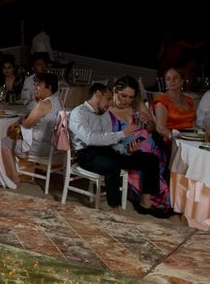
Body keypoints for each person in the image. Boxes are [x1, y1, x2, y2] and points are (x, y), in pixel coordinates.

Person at [69, 83, 166, 216]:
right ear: (98, 95)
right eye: (108, 99)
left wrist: (127, 150)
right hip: (86, 154)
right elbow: (90, 139)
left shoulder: (105, 114)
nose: (110, 103)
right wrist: (122, 134)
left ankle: (145, 203)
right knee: (112, 165)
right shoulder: (78, 113)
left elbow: (110, 141)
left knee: (150, 159)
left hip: (107, 150)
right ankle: (114, 208)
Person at [109, 76, 172, 214]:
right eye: (123, 95)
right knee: (148, 161)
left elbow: (151, 129)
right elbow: (105, 139)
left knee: (159, 156)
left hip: (148, 145)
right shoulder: (106, 109)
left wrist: (149, 122)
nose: (126, 100)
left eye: (131, 97)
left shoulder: (137, 106)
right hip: (126, 149)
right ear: (114, 91)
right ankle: (151, 202)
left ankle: (151, 201)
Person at [5, 73, 62, 159]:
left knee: (5, 141)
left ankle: (11, 173)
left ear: (49, 87)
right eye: (34, 85)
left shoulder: (43, 104)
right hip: (56, 149)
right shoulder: (58, 101)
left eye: (39, 85)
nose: (35, 88)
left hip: (41, 150)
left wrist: (18, 124)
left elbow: (25, 126)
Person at [153, 67, 196, 142]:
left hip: (190, 138)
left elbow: (194, 123)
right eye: (168, 79)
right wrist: (176, 140)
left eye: (175, 78)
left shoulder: (189, 100)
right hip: (171, 140)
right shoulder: (162, 101)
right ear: (165, 83)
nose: (171, 81)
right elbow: (160, 128)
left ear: (182, 81)